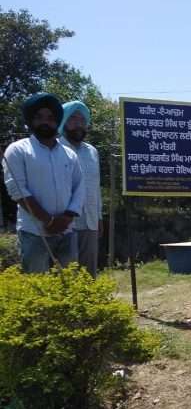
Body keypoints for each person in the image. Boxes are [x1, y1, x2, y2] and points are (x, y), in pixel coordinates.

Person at [2, 93, 84, 273]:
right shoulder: (17, 150)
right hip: (34, 232)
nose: (45, 122)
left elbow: (79, 187)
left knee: (70, 286)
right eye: (39, 117)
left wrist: (67, 218)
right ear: (31, 121)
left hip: (67, 231)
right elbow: (17, 190)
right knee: (36, 286)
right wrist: (48, 221)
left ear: (57, 122)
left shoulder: (69, 154)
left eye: (50, 118)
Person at [59, 101, 102, 278]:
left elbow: (95, 187)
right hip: (64, 222)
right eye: (73, 118)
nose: (78, 123)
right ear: (63, 121)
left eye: (82, 120)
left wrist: (99, 217)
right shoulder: (55, 148)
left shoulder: (92, 151)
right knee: (65, 271)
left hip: (90, 221)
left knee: (89, 273)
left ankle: (91, 305)